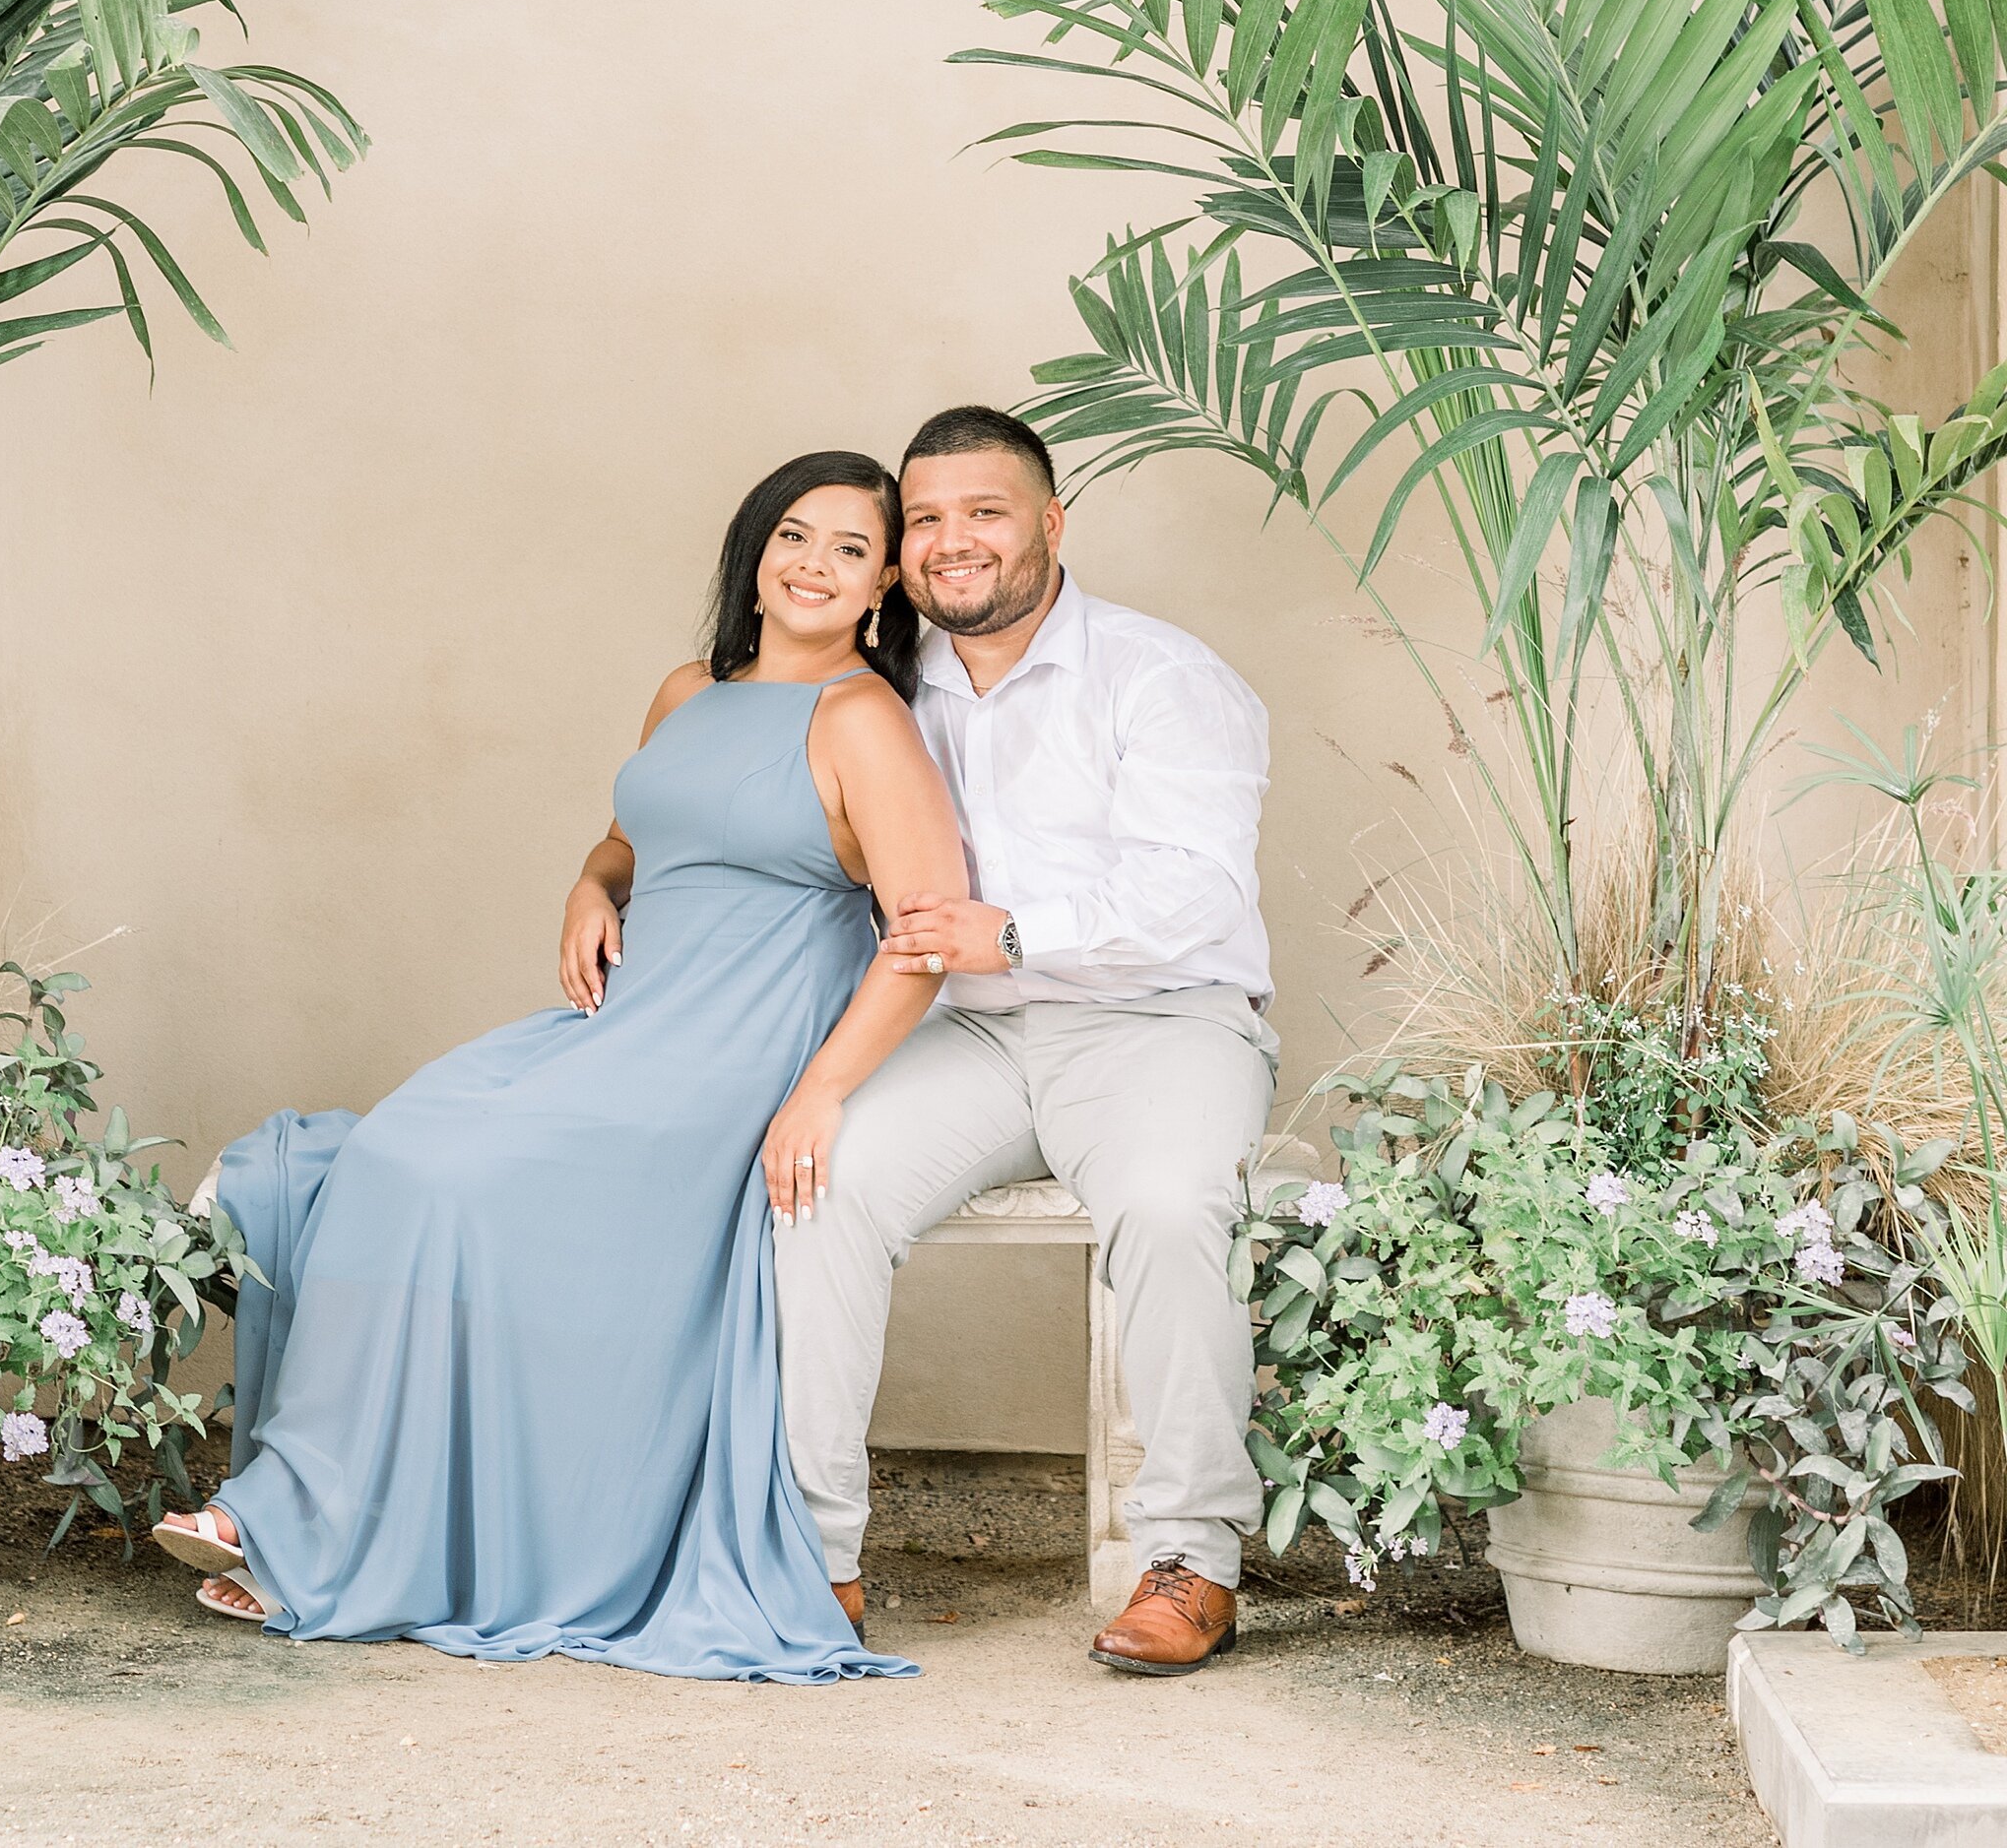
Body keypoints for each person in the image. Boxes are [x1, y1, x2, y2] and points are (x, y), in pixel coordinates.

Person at [151, 449, 966, 1680]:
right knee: (392, 1151)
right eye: (794, 533)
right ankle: (347, 1517)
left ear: (882, 585)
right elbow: (633, 833)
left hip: (729, 1058)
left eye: (851, 548)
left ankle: (287, 1519)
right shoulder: (687, 689)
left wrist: (820, 1089)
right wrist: (592, 880)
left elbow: (924, 937)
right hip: (623, 1028)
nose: (813, 562)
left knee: (446, 1178)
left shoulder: (863, 718)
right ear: (754, 553)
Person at [773, 405, 1276, 1677]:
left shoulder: (1162, 676)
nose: (953, 542)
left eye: (984, 512)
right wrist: (606, 875)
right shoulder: (879, 688)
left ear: (1051, 524)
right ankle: (810, 1558)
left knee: (1168, 1208)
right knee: (812, 1186)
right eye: (926, 519)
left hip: (1161, 1023)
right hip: (974, 1038)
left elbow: (1194, 896)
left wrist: (1016, 929)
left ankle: (1191, 1560)